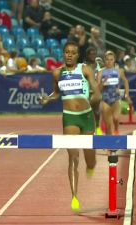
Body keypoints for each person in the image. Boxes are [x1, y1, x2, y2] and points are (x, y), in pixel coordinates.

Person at [39, 41, 101, 212]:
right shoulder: (57, 73)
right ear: (63, 54)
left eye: (73, 52)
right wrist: (48, 99)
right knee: (73, 157)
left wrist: (91, 100)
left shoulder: (85, 69)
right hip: (70, 118)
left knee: (91, 160)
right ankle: (74, 196)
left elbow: (97, 92)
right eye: (67, 52)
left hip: (87, 117)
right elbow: (57, 93)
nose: (69, 55)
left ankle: (90, 166)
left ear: (77, 55)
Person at [97, 50, 131, 135]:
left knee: (116, 119)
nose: (109, 61)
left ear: (114, 60)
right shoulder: (101, 72)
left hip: (116, 98)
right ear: (104, 60)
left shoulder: (119, 71)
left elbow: (126, 82)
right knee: (108, 124)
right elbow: (97, 88)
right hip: (105, 99)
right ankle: (110, 144)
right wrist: (103, 83)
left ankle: (116, 129)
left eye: (111, 59)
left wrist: (126, 94)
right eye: (107, 59)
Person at [84, 47, 103, 134]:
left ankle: (98, 127)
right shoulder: (83, 66)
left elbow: (99, 77)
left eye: (94, 54)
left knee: (96, 111)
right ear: (87, 55)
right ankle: (88, 129)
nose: (93, 56)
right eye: (91, 54)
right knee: (87, 111)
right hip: (86, 91)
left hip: (95, 91)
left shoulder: (98, 65)